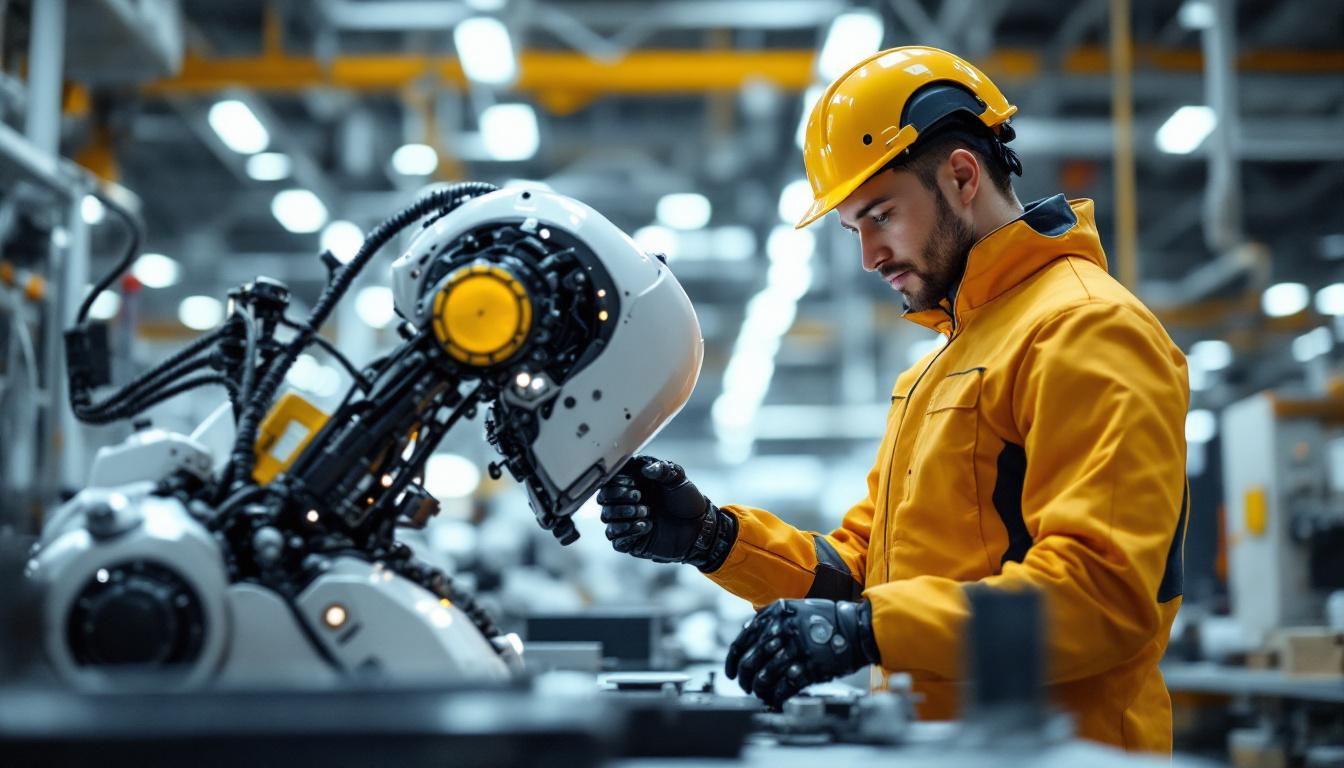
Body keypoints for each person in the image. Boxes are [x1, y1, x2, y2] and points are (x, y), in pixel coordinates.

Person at [597, 46, 1189, 753]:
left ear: (962, 176)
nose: (869, 256)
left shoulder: (1086, 330)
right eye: (855, 230)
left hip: (1062, 751)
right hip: (947, 747)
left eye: (881, 215)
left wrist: (873, 630)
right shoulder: (941, 370)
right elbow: (863, 570)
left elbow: (1103, 595)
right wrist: (715, 539)